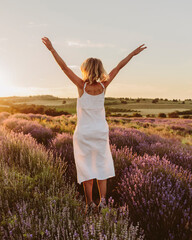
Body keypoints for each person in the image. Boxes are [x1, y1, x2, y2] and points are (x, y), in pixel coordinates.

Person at [42, 37, 147, 214]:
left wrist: (52, 50)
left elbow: (64, 67)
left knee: (86, 168)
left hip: (83, 133)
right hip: (100, 132)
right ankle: (103, 202)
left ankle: (89, 204)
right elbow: (118, 67)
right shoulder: (104, 86)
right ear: (99, 70)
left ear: (85, 70)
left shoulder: (81, 86)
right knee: (102, 166)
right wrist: (132, 54)